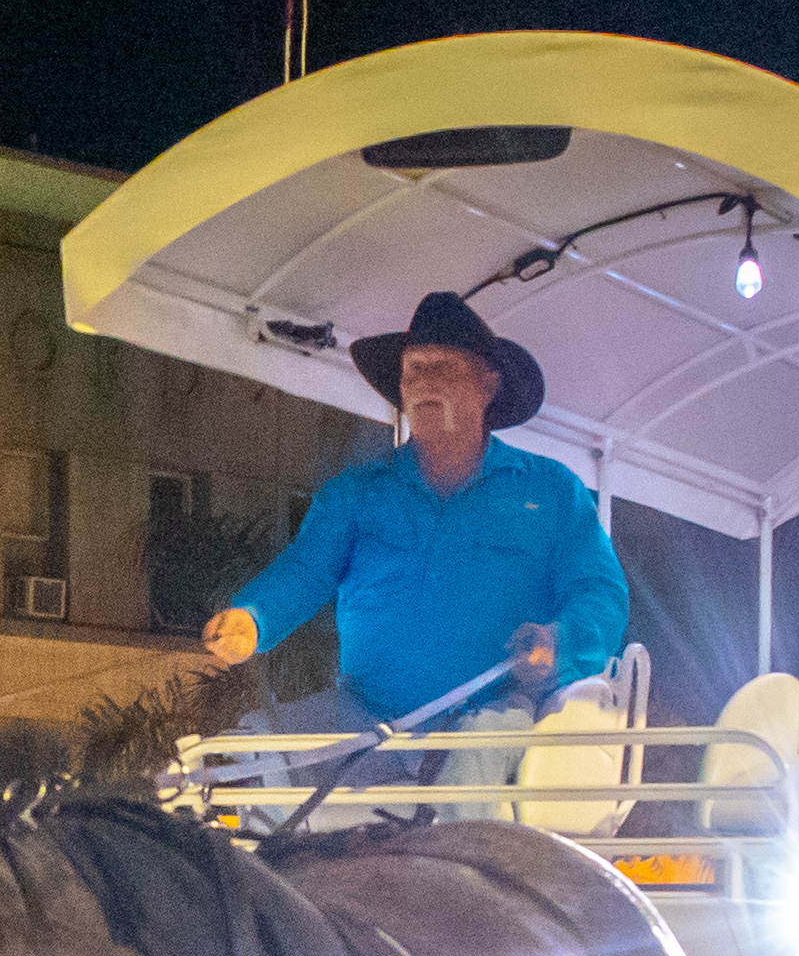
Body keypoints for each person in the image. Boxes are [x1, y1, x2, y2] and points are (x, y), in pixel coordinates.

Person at [200, 292, 630, 758]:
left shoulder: (551, 491)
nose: (425, 382)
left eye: (443, 368)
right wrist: (254, 617)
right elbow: (307, 569)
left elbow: (601, 593)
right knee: (245, 759)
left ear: (487, 386)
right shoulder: (358, 491)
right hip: (365, 715)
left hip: (499, 718)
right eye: (414, 369)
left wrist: (560, 642)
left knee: (466, 783)